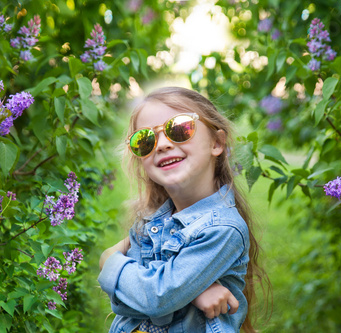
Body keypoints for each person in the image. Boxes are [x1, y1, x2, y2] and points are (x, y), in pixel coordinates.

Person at [98, 87, 268, 333]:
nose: (162, 145)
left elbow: (154, 299)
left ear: (217, 143)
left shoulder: (223, 229)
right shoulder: (154, 222)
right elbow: (129, 301)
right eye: (145, 140)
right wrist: (193, 291)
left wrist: (108, 260)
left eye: (179, 129)